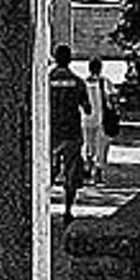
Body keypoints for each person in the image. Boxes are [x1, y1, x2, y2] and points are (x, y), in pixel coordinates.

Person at [49, 43, 91, 227]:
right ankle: (67, 210)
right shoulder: (78, 82)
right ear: (70, 59)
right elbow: (87, 108)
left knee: (47, 171)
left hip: (51, 132)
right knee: (71, 172)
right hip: (72, 132)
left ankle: (42, 206)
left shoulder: (45, 80)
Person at [84, 56, 117, 184]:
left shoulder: (84, 82)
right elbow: (112, 98)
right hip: (100, 119)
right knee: (101, 147)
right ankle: (97, 172)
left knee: (88, 146)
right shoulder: (105, 82)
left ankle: (88, 168)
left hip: (86, 119)